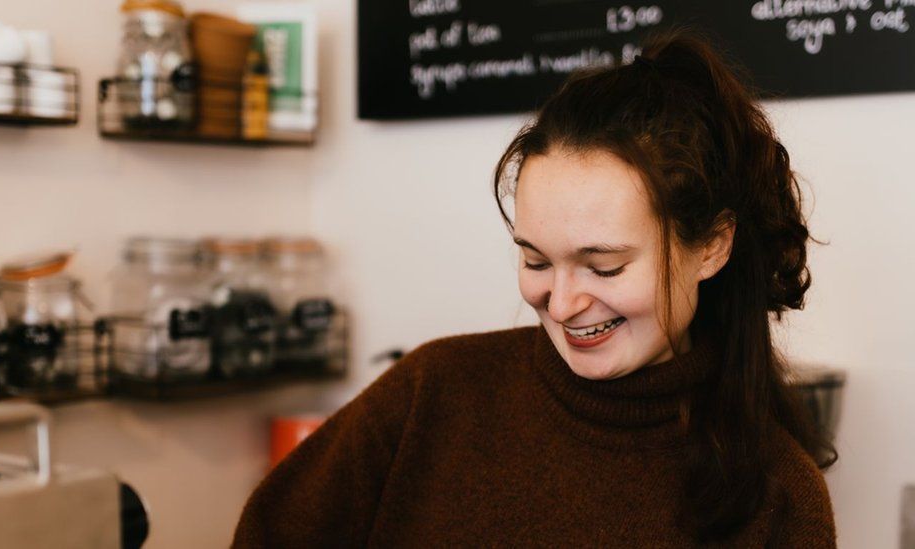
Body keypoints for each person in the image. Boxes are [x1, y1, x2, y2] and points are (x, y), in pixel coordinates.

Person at [232, 29, 837, 547]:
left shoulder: (781, 498)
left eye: (604, 267)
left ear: (712, 246)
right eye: (536, 261)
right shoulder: (432, 394)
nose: (564, 303)